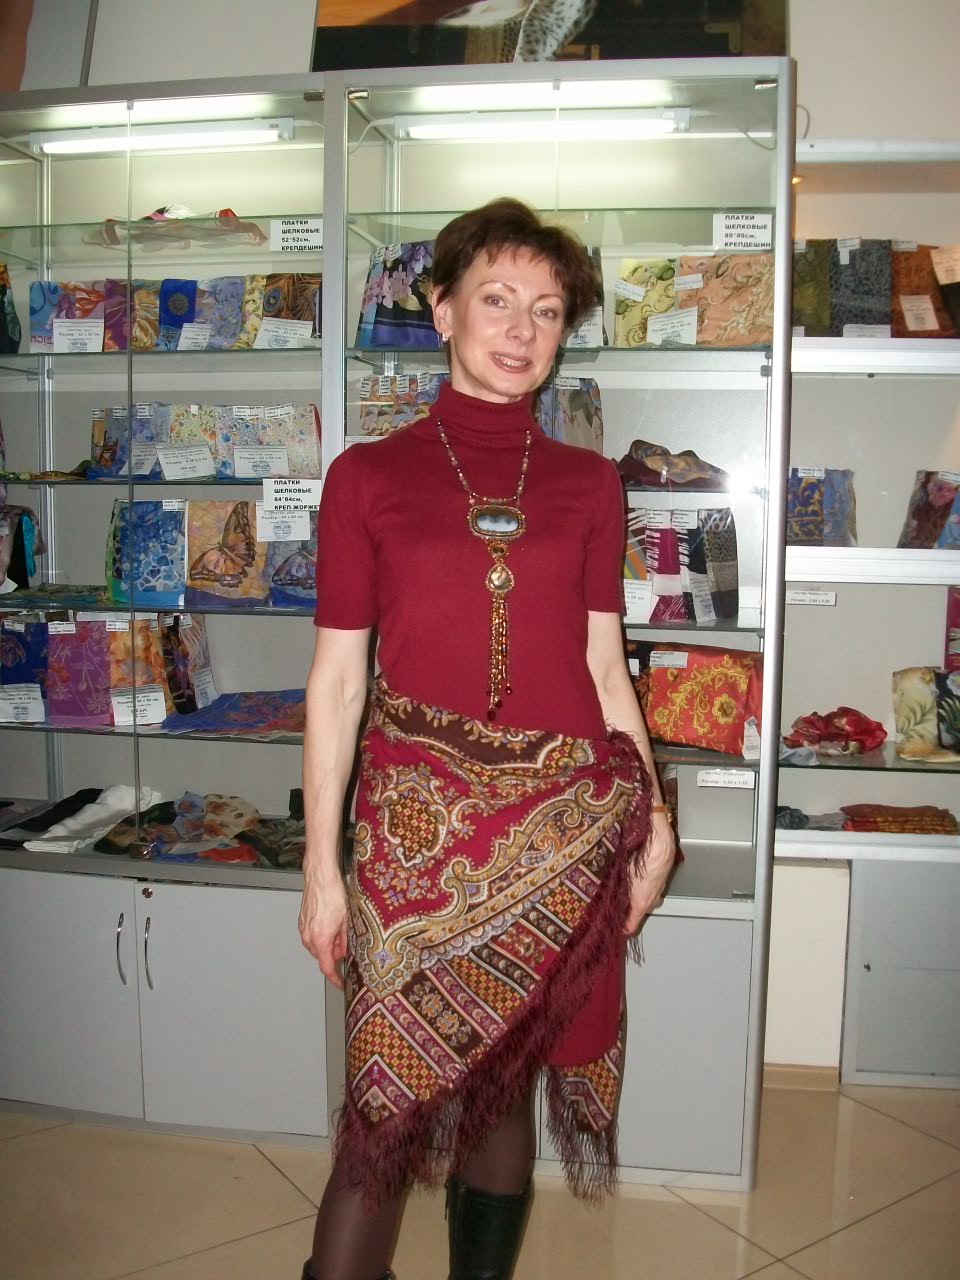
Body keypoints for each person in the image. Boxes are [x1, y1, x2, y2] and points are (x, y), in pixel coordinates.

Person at [299, 197, 675, 1280]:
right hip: (416, 844)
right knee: (383, 1106)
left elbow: (605, 667)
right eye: (497, 300)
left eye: (547, 311)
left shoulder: (589, 483)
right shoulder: (367, 477)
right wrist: (322, 867)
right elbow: (338, 681)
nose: (521, 330)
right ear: (441, 308)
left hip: (559, 837)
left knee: (500, 1088)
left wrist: (655, 819)